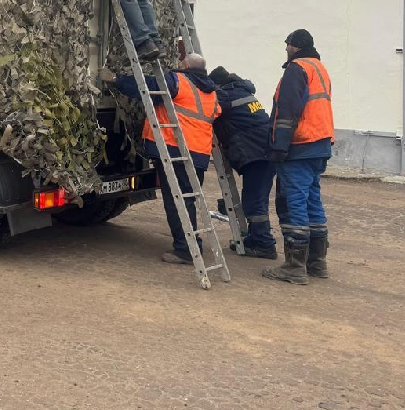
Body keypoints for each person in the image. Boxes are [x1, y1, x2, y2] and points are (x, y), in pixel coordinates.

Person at [100, 53, 220, 264]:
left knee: (177, 201)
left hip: (176, 150)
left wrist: (116, 80)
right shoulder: (211, 91)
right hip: (199, 154)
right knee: (188, 200)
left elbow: (147, 86)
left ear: (184, 65)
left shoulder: (178, 81)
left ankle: (185, 250)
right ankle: (193, 243)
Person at [262, 29, 334, 285]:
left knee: (294, 201)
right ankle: (317, 262)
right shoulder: (319, 69)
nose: (285, 49)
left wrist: (278, 147)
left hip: (300, 145)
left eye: (287, 45)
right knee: (312, 201)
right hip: (319, 144)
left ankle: (294, 266)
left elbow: (287, 111)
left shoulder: (296, 69)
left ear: (294, 47)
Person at [208, 65, 277, 259]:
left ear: (218, 85)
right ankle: (256, 239)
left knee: (255, 202)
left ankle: (264, 244)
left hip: (256, 154)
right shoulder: (242, 90)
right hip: (264, 152)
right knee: (256, 198)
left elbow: (207, 111)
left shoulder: (225, 96)